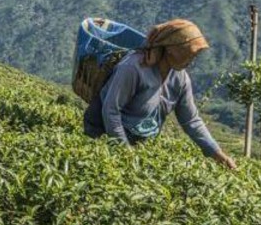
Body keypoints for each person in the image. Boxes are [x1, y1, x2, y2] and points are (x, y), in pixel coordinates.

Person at [83, 19, 236, 169]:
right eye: (189, 51)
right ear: (171, 48)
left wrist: (218, 155)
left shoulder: (180, 78)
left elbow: (191, 121)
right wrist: (124, 152)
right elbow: (111, 111)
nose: (193, 58)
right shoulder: (132, 68)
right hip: (103, 131)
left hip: (138, 138)